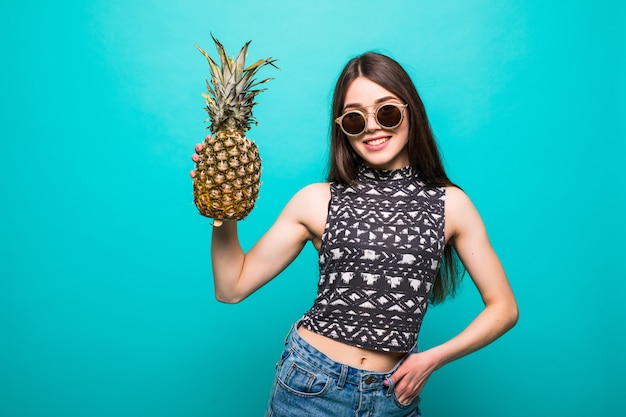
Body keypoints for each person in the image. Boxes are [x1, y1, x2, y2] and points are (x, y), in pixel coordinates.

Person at [190, 52, 518, 416]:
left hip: (394, 397)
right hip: (310, 387)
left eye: (387, 111)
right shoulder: (316, 200)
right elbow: (231, 288)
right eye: (355, 118)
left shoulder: (450, 205)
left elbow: (504, 308)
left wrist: (433, 359)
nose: (373, 127)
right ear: (342, 127)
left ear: (411, 112)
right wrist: (223, 208)